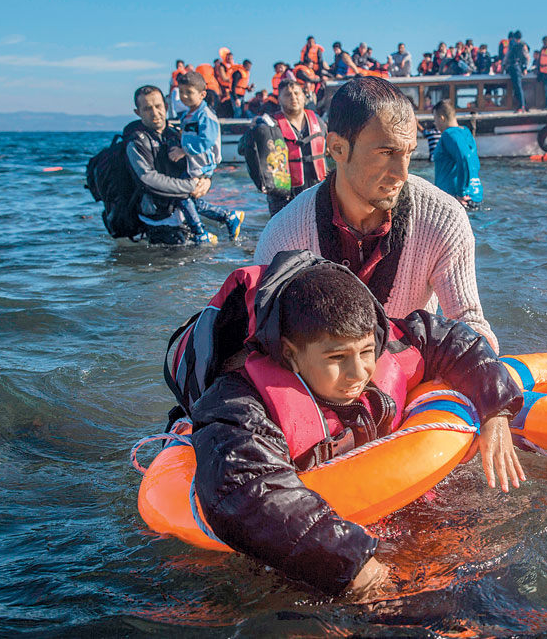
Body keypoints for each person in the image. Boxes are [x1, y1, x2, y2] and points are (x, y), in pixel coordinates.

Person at [179, 249, 525, 596]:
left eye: (365, 352)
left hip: (390, 520)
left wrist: (496, 409)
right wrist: (354, 562)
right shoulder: (238, 404)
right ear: (290, 353)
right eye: (336, 357)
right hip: (316, 557)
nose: (358, 374)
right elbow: (246, 493)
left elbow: (452, 339)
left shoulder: (387, 346)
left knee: (503, 586)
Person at [255, 76, 501, 351]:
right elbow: (260, 337)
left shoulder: (445, 220)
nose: (402, 174)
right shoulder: (283, 235)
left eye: (407, 153)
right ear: (337, 148)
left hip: (408, 379)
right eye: (386, 152)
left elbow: (470, 323)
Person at [125, 85, 210, 244]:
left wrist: (206, 180)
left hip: (184, 216)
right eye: (147, 108)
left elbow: (199, 162)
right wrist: (191, 186)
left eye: (158, 106)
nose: (155, 113)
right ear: (138, 113)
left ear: (166, 106)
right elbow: (148, 179)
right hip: (155, 222)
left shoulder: (177, 134)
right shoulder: (136, 142)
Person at [168, 72, 245, 243]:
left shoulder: (205, 115)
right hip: (192, 163)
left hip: (202, 164)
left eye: (189, 92)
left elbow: (207, 141)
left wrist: (184, 150)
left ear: (202, 94)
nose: (185, 96)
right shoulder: (188, 114)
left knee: (182, 195)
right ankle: (228, 216)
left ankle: (200, 231)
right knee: (190, 199)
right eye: (181, 93)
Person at [265, 76, 328, 215]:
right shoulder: (270, 125)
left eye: (296, 93)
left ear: (304, 97)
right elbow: (244, 149)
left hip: (318, 192)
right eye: (287, 95)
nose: (293, 97)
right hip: (284, 197)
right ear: (279, 99)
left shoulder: (318, 122)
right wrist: (254, 131)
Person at [432, 101, 482, 206]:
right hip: (475, 194)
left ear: (442, 118)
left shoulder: (448, 134)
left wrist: (461, 192)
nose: (435, 124)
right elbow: (474, 162)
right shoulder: (466, 133)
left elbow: (464, 158)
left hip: (454, 198)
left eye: (435, 119)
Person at [505, 30, 530, 113]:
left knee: (518, 87)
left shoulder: (520, 45)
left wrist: (524, 68)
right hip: (513, 67)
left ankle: (522, 105)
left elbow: (526, 57)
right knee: (516, 87)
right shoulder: (515, 44)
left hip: (516, 67)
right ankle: (520, 105)